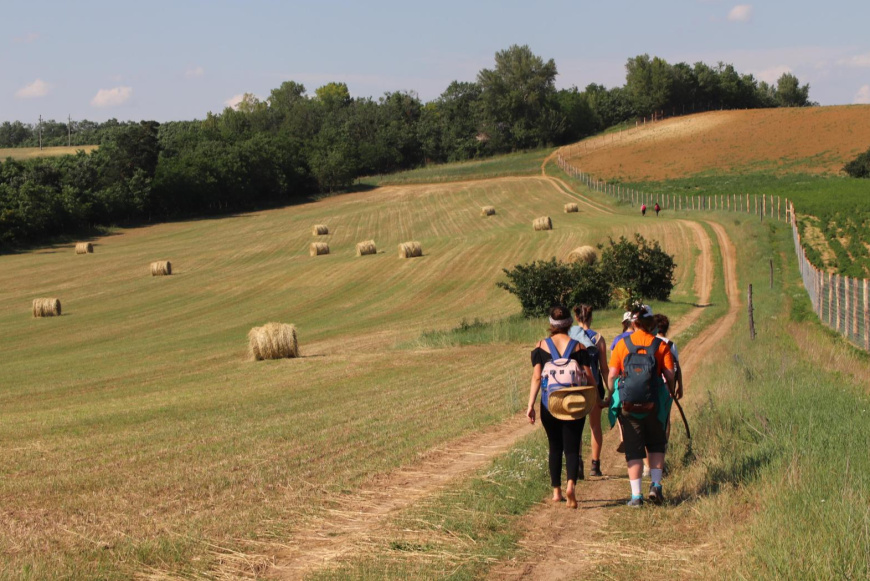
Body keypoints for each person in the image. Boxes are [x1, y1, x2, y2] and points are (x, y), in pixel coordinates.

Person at [527, 305, 596, 509]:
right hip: (573, 403)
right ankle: (571, 486)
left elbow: (537, 377)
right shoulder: (579, 347)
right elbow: (590, 377)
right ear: (569, 324)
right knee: (572, 448)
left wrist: (530, 404)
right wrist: (596, 398)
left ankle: (556, 491)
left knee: (555, 447)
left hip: (550, 403)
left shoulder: (541, 346)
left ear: (551, 324)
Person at [607, 304, 676, 507]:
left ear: (634, 323)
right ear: (650, 323)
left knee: (633, 449)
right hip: (654, 404)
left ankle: (636, 496)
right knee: (656, 443)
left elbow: (612, 375)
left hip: (629, 405)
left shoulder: (622, 345)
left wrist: (609, 395)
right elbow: (670, 375)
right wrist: (671, 391)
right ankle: (655, 485)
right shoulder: (661, 346)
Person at [570, 305, 611, 477]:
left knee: (576, 426)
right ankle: (595, 464)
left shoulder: (569, 336)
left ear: (576, 317)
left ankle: (578, 462)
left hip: (575, 386)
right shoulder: (599, 338)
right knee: (595, 426)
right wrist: (611, 390)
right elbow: (604, 368)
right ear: (591, 317)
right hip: (594, 386)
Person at [654, 313, 684, 440]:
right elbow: (677, 366)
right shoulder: (671, 345)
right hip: (668, 386)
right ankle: (664, 445)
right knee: (666, 417)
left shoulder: (652, 343)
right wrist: (680, 386)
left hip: (653, 384)